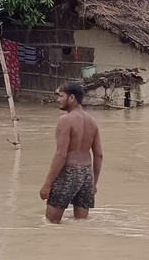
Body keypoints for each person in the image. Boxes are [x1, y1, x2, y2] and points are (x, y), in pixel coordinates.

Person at [39, 83, 103, 224]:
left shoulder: (65, 120)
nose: (58, 99)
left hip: (69, 171)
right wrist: (94, 183)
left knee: (51, 222)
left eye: (60, 96)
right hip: (87, 173)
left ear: (71, 98)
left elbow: (61, 154)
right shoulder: (92, 122)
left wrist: (47, 184)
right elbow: (99, 155)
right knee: (81, 222)